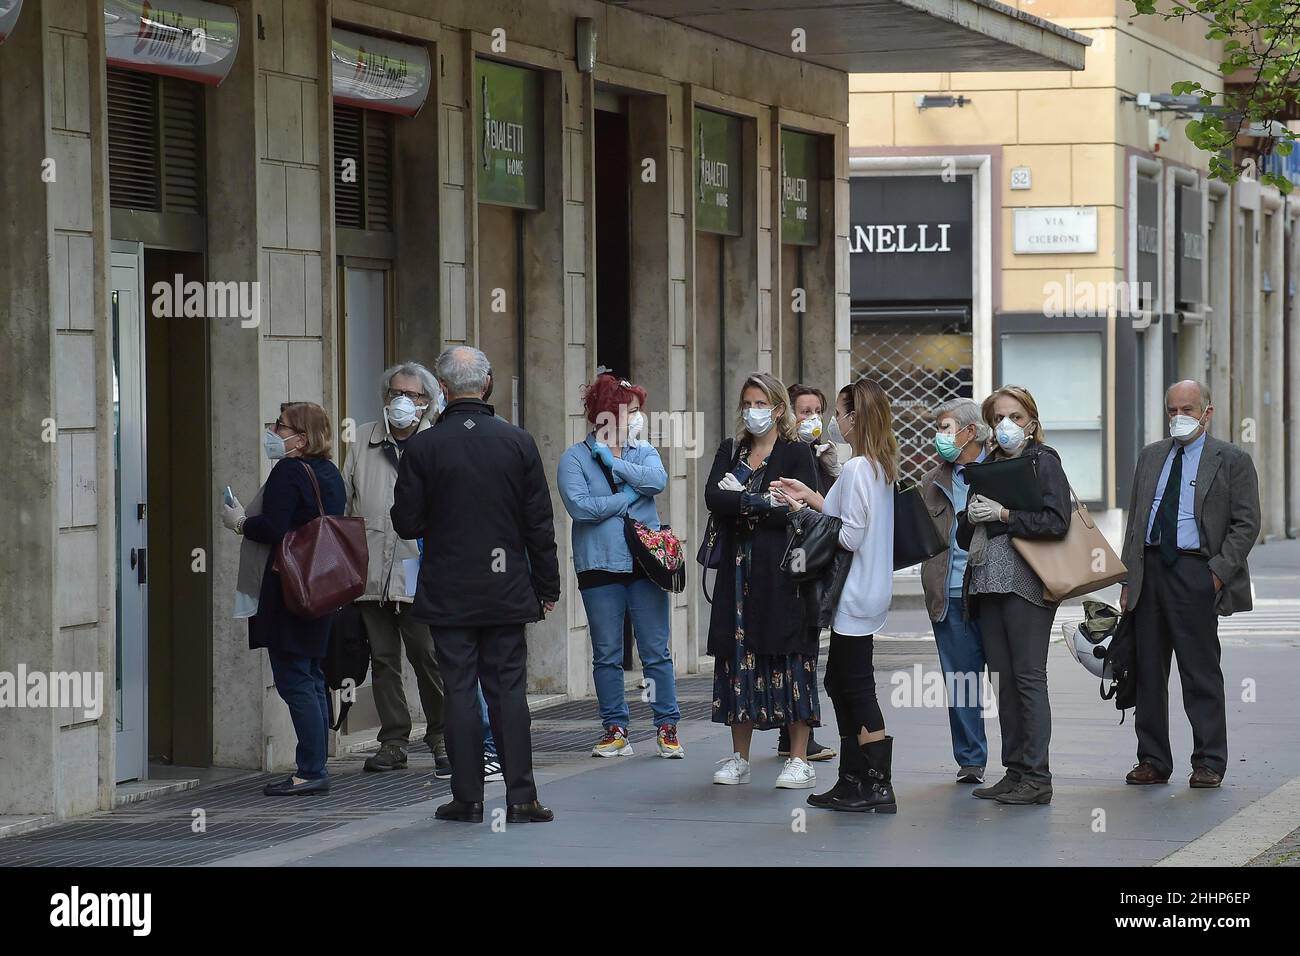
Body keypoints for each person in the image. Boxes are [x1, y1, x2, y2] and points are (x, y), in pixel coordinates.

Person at [391, 346, 560, 824]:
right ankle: (522, 796)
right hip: (506, 588)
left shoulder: (423, 447)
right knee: (508, 690)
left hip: (448, 588)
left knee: (460, 690)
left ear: (441, 390)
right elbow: (539, 524)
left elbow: (405, 522)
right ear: (486, 386)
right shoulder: (518, 442)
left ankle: (467, 798)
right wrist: (546, 586)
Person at [1120, 380, 1260, 789]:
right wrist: (1128, 578)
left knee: (1199, 672)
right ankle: (1152, 759)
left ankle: (1209, 761)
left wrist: (1216, 573)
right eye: (1172, 410)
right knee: (1147, 669)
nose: (1178, 417)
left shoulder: (1231, 459)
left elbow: (1246, 523)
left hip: (1195, 571)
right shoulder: (1150, 457)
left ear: (1207, 412)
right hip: (1149, 570)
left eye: (1187, 409)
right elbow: (1135, 523)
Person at [773, 378, 898, 813]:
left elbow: (850, 534)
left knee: (854, 685)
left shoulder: (860, 467)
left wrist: (802, 516)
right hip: (870, 590)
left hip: (854, 592)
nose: (835, 421)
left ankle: (874, 785)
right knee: (842, 682)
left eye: (840, 413)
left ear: (855, 417)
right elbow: (844, 513)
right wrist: (810, 498)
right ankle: (856, 780)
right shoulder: (877, 466)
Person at [221, 402, 345, 797]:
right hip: (320, 586)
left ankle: (311, 770)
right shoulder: (330, 472)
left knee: (295, 680)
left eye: (281, 426)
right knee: (311, 677)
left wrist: (239, 521)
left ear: (302, 438)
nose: (273, 431)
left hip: (289, 589)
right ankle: (315, 765)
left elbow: (273, 527)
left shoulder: (289, 471)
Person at [956, 385, 1071, 806]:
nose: (1006, 425)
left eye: (1016, 417)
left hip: (1027, 582)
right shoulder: (985, 464)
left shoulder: (1044, 460)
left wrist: (1005, 515)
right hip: (987, 581)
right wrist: (968, 517)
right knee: (1002, 681)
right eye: (999, 418)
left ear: (1032, 423)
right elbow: (964, 532)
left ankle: (1038, 777)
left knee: (1027, 678)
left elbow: (1056, 521)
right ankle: (1015, 770)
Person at [557, 373, 683, 759]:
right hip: (598, 567)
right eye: (631, 411)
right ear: (605, 414)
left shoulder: (641, 451)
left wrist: (615, 464)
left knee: (655, 650)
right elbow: (580, 507)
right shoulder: (574, 458)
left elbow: (658, 480)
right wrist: (627, 498)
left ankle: (667, 726)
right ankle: (615, 728)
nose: (637, 418)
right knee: (607, 653)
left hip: (644, 565)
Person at [706, 372, 821, 790]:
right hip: (736, 572)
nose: (752, 411)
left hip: (783, 571)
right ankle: (739, 756)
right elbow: (713, 498)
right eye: (746, 403)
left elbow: (797, 507)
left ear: (776, 409)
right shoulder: (731, 450)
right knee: (738, 656)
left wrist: (743, 501)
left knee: (789, 654)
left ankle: (798, 757)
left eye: (760, 404)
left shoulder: (795, 453)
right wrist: (757, 500)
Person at [342, 363, 449, 776]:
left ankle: (441, 735)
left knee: (428, 655)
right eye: (395, 393)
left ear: (427, 402)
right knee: (383, 659)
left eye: (414, 395)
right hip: (370, 566)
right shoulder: (363, 441)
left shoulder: (436, 444)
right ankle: (393, 741)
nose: (403, 402)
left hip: (418, 564)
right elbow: (347, 507)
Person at [918, 398, 990, 784]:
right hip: (951, 593)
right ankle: (971, 760)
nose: (940, 436)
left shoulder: (1001, 471)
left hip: (995, 591)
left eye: (946, 428)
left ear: (972, 432)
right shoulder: (932, 481)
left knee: (1010, 680)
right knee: (961, 681)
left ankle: (1021, 761)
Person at [779, 383, 840, 763]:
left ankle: (796, 734)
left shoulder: (818, 456)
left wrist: (830, 468)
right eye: (804, 411)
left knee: (807, 645)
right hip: (792, 560)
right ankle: (798, 733)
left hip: (812, 561)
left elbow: (834, 510)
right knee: (798, 649)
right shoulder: (789, 454)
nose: (812, 418)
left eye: (818, 410)